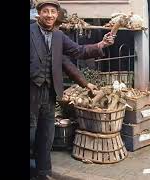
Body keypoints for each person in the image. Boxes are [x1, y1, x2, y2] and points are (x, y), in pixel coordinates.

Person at [30, 0, 115, 179]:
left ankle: (43, 172)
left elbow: (79, 51)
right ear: (39, 13)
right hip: (31, 91)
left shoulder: (59, 36)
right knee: (30, 134)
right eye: (46, 11)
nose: (50, 15)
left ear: (57, 14)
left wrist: (101, 45)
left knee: (46, 135)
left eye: (53, 11)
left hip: (50, 92)